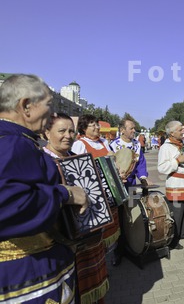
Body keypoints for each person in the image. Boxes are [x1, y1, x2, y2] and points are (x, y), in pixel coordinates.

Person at [0, 74, 89, 303]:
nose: (51, 115)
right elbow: (11, 204)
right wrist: (66, 193)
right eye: (49, 106)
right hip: (26, 271)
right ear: (26, 106)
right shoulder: (12, 143)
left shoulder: (18, 139)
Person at [44, 113, 109, 304]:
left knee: (89, 283)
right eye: (61, 131)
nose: (68, 135)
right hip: (59, 238)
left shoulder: (77, 158)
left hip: (87, 232)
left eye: (71, 131)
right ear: (47, 133)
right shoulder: (42, 161)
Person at [72, 114, 121, 265]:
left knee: (112, 229)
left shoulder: (104, 142)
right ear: (83, 128)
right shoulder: (79, 144)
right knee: (99, 230)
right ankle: (99, 261)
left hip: (109, 192)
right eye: (92, 125)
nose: (96, 127)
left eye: (97, 124)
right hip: (94, 195)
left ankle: (110, 258)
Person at [109, 118, 153, 264]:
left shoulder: (136, 145)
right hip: (118, 187)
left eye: (134, 128)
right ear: (122, 130)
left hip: (132, 186)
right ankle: (118, 251)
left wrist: (144, 178)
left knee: (131, 216)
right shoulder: (113, 146)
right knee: (119, 218)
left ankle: (132, 244)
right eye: (131, 128)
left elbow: (141, 164)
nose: (134, 131)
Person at [158, 121, 184, 250]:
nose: (183, 132)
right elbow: (162, 168)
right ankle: (173, 240)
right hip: (176, 184)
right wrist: (177, 160)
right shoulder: (166, 147)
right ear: (171, 133)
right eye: (180, 130)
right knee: (177, 213)